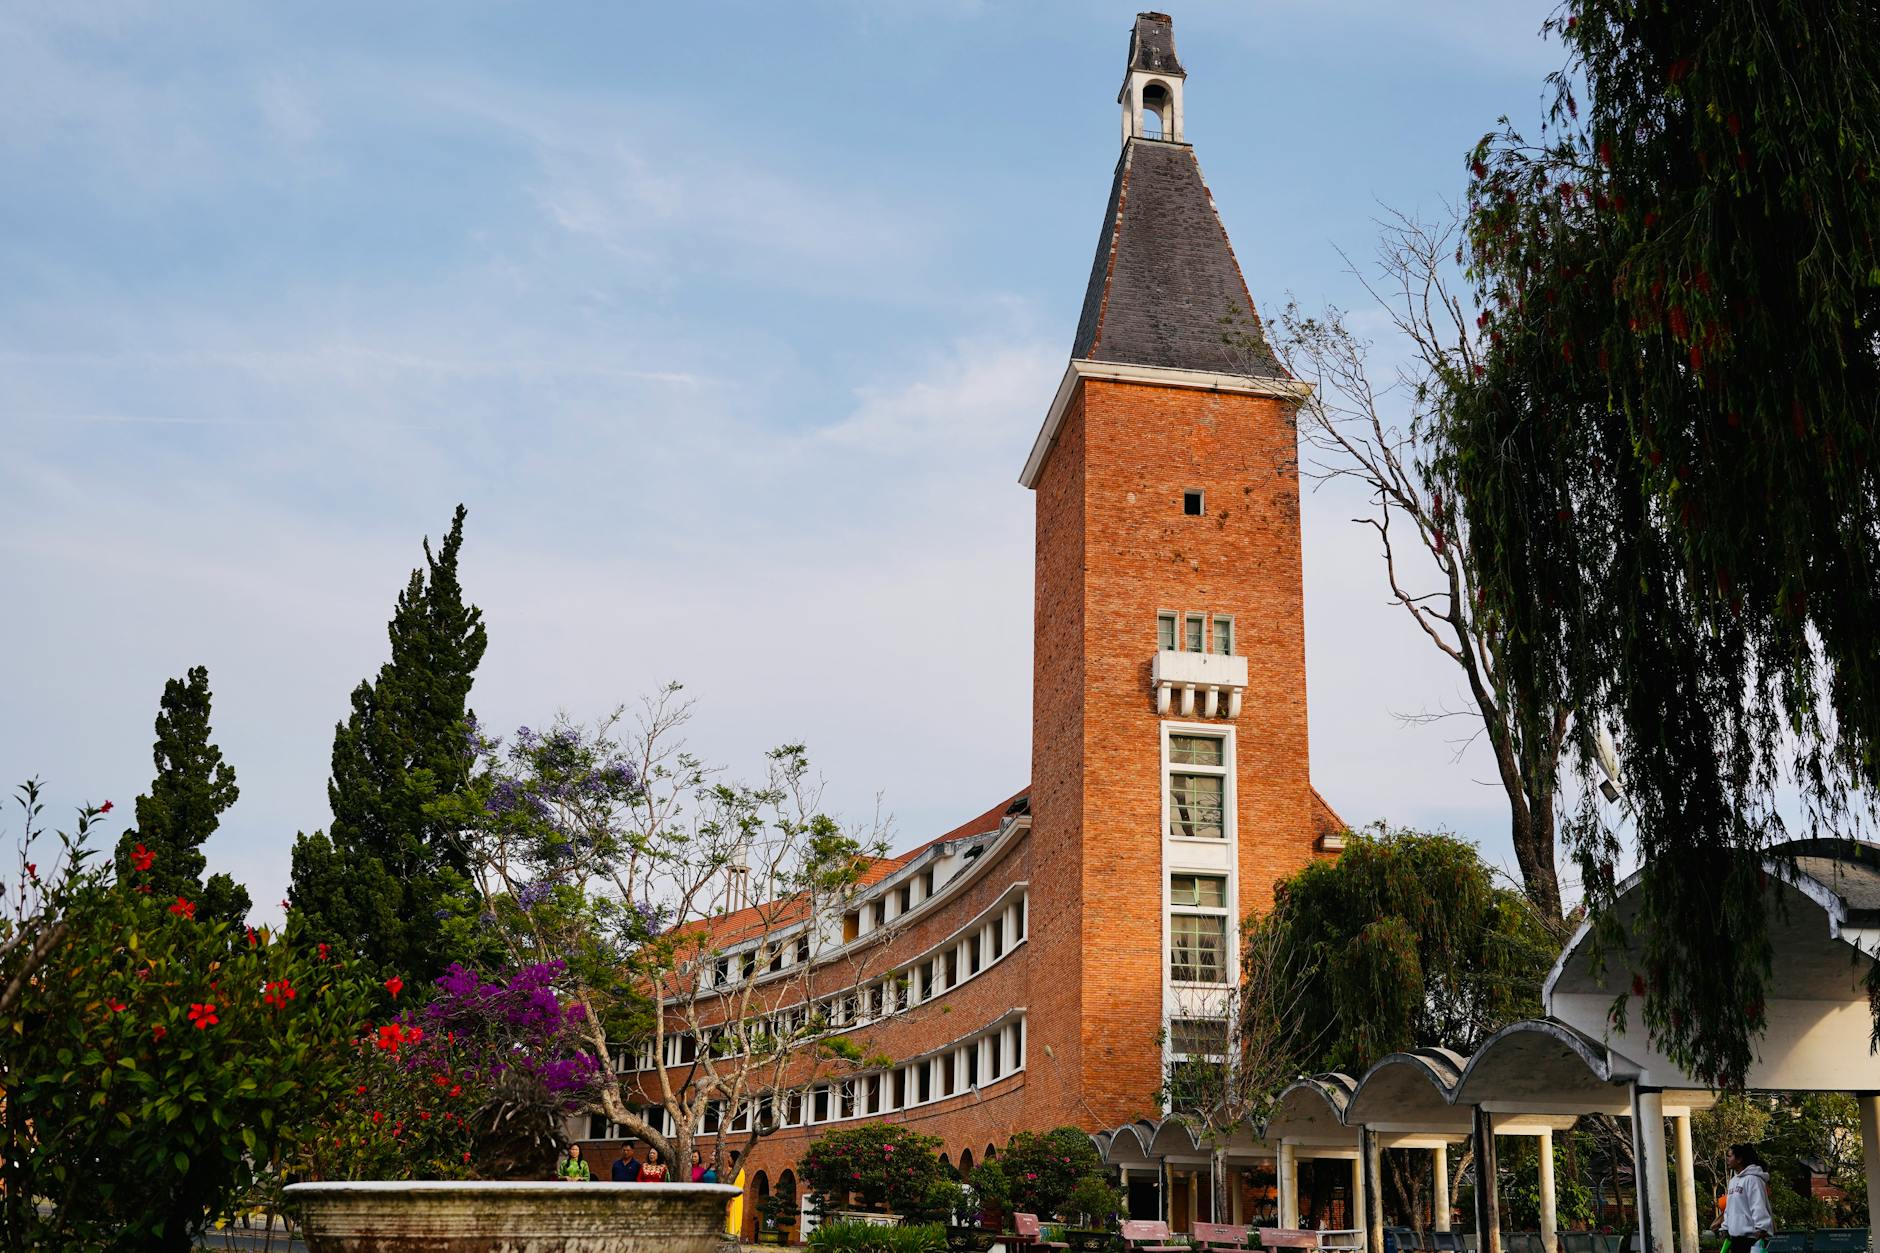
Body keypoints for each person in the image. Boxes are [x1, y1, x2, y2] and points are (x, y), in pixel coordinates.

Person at [1713, 1143, 1774, 1253]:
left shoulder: (1753, 1180)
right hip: (1736, 1238)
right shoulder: (1733, 1181)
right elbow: (1730, 1208)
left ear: (1739, 1159)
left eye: (1729, 1156)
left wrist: (1762, 1227)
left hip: (1751, 1238)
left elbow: (1758, 1204)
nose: (1727, 1159)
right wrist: (1725, 1227)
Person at [725, 1150, 746, 1239]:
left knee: (732, 1227)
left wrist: (729, 1206)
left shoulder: (738, 1172)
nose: (728, 1160)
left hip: (734, 1203)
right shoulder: (735, 1171)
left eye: (729, 1157)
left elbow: (734, 1190)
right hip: (733, 1202)